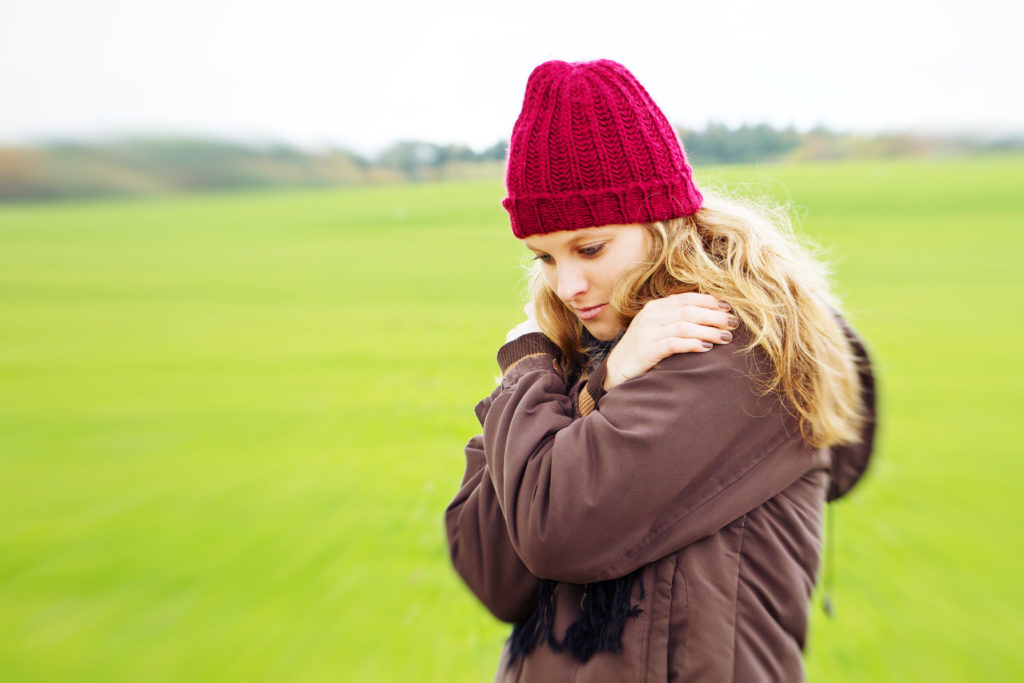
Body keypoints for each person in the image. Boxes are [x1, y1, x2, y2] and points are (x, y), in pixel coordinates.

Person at [444, 59, 876, 682]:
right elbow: (494, 575)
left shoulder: (737, 347)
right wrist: (596, 386)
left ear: (662, 223)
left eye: (590, 248)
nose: (567, 285)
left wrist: (527, 372)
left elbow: (552, 532)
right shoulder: (594, 350)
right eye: (543, 257)